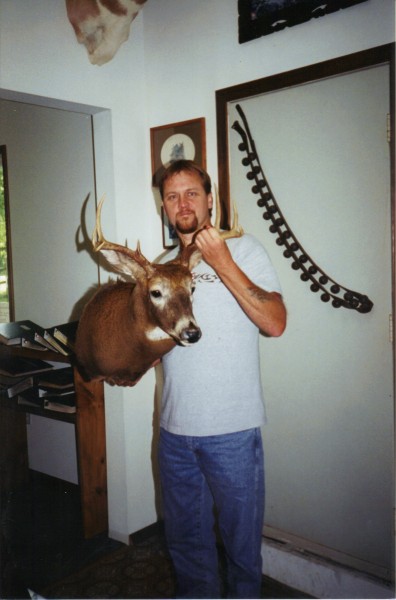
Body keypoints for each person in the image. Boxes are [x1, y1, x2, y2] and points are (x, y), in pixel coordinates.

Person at [158, 160, 286, 599]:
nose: (183, 203)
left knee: (241, 553)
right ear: (164, 206)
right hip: (174, 434)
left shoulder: (246, 249)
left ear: (210, 199)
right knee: (188, 549)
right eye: (172, 196)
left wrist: (221, 260)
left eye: (192, 192)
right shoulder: (159, 266)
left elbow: (274, 323)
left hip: (232, 430)